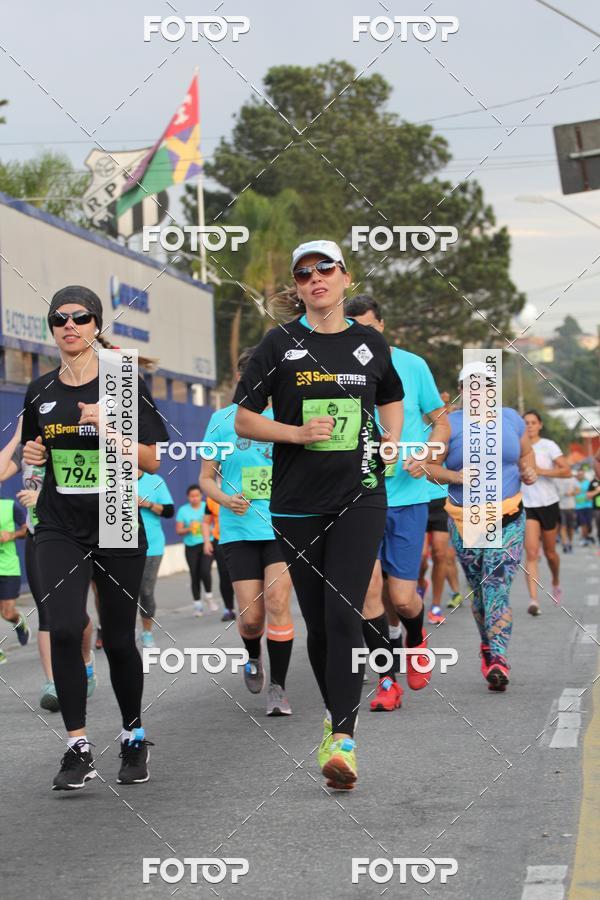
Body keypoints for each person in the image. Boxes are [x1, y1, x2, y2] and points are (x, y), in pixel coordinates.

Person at [234, 242, 404, 789]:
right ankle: (337, 717)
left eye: (324, 269)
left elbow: (392, 397)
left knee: (341, 613)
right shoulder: (278, 344)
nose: (315, 279)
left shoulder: (370, 343)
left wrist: (393, 441)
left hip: (360, 495)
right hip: (296, 502)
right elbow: (243, 419)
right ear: (298, 287)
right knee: (318, 621)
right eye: (304, 274)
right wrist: (295, 433)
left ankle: (343, 737)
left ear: (344, 278)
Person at [21, 285, 168, 790]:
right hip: (59, 521)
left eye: (80, 318)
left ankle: (132, 735)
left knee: (120, 638)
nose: (69, 326)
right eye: (58, 319)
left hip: (116, 517)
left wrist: (111, 428)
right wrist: (33, 459)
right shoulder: (40, 391)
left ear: (95, 324)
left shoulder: (125, 383)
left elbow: (150, 460)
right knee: (64, 627)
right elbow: (34, 451)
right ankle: (77, 745)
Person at [344, 294, 449, 713]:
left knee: (403, 598)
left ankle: (416, 635)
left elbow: (440, 419)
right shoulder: (330, 366)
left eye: (368, 328)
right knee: (369, 593)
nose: (361, 336)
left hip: (406, 498)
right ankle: (387, 680)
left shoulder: (411, 364)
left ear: (382, 327)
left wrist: (430, 453)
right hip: (356, 497)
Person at [422, 362, 537, 691]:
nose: (479, 391)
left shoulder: (511, 419)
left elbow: (527, 458)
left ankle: (498, 656)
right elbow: (430, 468)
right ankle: (488, 646)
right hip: (467, 518)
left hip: (509, 515)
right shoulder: (450, 425)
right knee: (480, 591)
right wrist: (457, 477)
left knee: (496, 584)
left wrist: (530, 472)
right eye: (471, 385)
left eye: (485, 385)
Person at [200, 347, 295, 716]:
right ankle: (253, 655)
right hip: (238, 527)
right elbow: (205, 479)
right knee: (252, 617)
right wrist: (225, 499)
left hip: (281, 526)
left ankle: (278, 687)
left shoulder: (288, 417)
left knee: (277, 604)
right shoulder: (222, 420)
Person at [0, 422, 96, 705]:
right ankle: (53, 683)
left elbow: (83, 489)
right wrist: (17, 437)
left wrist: (41, 497)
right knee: (47, 613)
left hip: (73, 536)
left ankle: (86, 659)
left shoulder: (70, 442)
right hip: (39, 535)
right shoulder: (25, 449)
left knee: (76, 614)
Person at [521, 410, 571, 614]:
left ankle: (556, 580)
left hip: (549, 503)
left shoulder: (548, 446)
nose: (530, 426)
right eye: (526, 423)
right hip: (526, 505)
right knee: (532, 552)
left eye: (533, 422)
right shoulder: (516, 446)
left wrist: (540, 471)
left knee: (550, 553)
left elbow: (566, 470)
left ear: (540, 425)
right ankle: (533, 600)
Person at [136, 469, 174, 648]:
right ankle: (125, 631)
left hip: (152, 545)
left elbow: (168, 511)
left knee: (146, 591)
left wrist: (146, 503)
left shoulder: (155, 480)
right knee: (123, 593)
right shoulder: (114, 477)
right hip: (120, 544)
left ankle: (147, 632)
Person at [175, 485, 216, 615]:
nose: (195, 498)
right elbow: (178, 531)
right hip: (191, 547)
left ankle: (209, 597)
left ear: (201, 496)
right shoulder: (183, 510)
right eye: (192, 496)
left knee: (205, 570)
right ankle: (197, 605)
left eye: (197, 496)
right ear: (188, 497)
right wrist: (189, 528)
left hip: (206, 544)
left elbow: (215, 524)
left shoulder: (207, 506)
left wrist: (208, 529)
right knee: (194, 574)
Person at [0, 493, 28, 663]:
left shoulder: (10, 506)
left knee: (7, 612)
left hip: (9, 567)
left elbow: (27, 529)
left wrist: (12, 535)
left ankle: (18, 621)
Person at [202, 498, 236, 622]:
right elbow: (206, 522)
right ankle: (229, 609)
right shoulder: (212, 498)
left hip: (242, 538)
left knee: (245, 575)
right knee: (225, 575)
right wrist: (207, 541)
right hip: (220, 541)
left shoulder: (243, 490)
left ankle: (251, 607)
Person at [557, 472, 579, 553]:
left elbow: (578, 490)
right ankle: (565, 544)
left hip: (571, 507)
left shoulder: (572, 479)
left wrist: (572, 493)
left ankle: (570, 543)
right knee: (563, 527)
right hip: (560, 507)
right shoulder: (556, 479)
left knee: (571, 528)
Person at [574, 469, 594, 546]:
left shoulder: (588, 483)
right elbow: (572, 492)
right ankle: (584, 538)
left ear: (584, 475)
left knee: (589, 524)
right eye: (579, 474)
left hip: (588, 506)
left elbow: (592, 492)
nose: (580, 476)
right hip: (578, 507)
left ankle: (587, 536)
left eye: (581, 474)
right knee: (583, 523)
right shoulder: (575, 483)